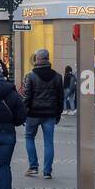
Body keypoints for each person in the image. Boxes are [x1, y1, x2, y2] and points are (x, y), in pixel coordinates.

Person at [22, 48, 63, 180]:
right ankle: (47, 172)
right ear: (48, 58)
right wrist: (58, 114)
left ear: (38, 59)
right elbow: (60, 98)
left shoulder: (31, 76)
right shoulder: (57, 77)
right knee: (49, 143)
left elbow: (27, 97)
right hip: (50, 114)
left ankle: (33, 167)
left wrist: (23, 112)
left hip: (33, 114)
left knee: (29, 137)